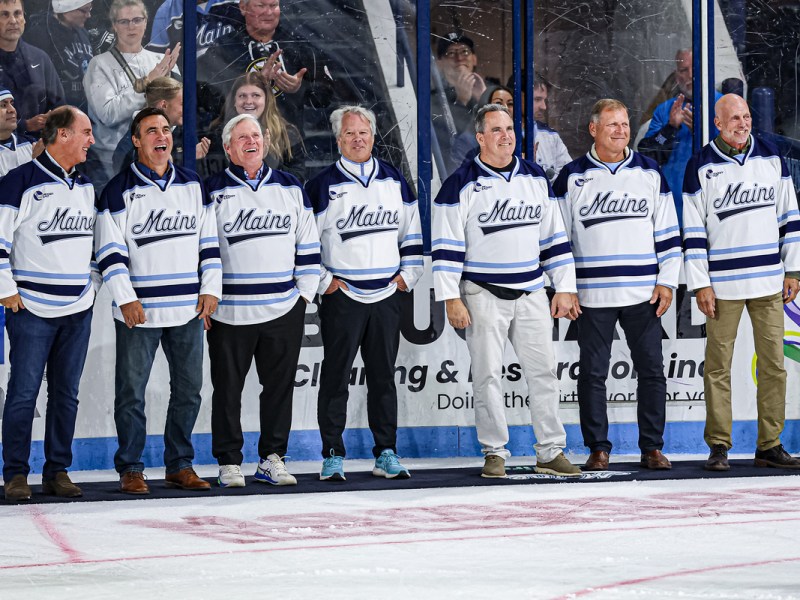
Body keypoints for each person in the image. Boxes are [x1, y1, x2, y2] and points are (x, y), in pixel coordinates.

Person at [432, 103, 581, 479]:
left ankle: (550, 451)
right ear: (480, 137)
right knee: (487, 376)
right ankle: (494, 452)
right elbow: (446, 247)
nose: (506, 136)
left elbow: (554, 240)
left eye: (510, 129)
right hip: (482, 293)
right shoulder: (460, 183)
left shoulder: (535, 177)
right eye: (496, 130)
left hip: (532, 291)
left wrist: (564, 287)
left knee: (545, 373)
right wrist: (451, 297)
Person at [94, 107, 222, 494]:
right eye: (151, 130)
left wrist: (210, 288)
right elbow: (110, 253)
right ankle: (131, 467)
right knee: (131, 394)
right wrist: (126, 298)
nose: (160, 136)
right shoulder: (118, 190)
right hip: (139, 311)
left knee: (189, 390)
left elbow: (209, 244)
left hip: (186, 308)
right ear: (136, 141)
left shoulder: (193, 185)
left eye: (165, 129)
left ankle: (179, 464)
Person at [552, 99, 681, 471]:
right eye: (612, 124)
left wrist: (667, 283)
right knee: (593, 374)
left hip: (643, 294)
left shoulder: (650, 173)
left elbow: (669, 237)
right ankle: (598, 448)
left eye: (624, 124)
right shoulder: (571, 177)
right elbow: (558, 239)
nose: (621, 130)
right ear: (593, 129)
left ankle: (652, 447)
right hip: (591, 296)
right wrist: (566, 286)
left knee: (653, 371)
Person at [304, 105, 423, 482]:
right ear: (338, 139)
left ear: (374, 136)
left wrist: (408, 275)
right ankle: (333, 454)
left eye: (364, 133)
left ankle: (385, 452)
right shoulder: (322, 185)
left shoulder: (394, 181)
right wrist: (326, 282)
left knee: (383, 378)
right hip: (344, 296)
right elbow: (306, 243)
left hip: (387, 295)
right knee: (336, 377)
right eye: (350, 134)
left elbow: (412, 235)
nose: (358, 139)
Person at [683, 93, 800, 471]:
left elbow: (790, 218)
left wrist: (794, 269)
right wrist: (701, 283)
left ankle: (770, 443)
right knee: (718, 368)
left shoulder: (771, 157)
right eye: (734, 118)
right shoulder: (699, 165)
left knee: (774, 366)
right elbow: (693, 232)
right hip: (722, 287)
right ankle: (719, 445)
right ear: (717, 123)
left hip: (768, 281)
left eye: (746, 116)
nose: (743, 123)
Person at [204, 114, 320, 488]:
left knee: (279, 388)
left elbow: (309, 245)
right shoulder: (210, 192)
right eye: (242, 138)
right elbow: (201, 251)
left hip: (282, 308)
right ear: (227, 148)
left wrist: (303, 296)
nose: (251, 142)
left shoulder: (290, 187)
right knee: (228, 391)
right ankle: (228, 461)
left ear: (266, 142)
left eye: (256, 135)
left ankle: (272, 457)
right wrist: (207, 299)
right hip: (228, 312)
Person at [0, 106, 96, 501]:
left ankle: (57, 470)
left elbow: (93, 244)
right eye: (85, 131)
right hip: (30, 309)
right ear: (61, 135)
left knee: (66, 394)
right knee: (23, 393)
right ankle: (16, 474)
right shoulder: (17, 183)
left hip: (78, 307)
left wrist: (92, 282)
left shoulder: (87, 185)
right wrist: (7, 288)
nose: (92, 140)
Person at [197, 0, 334, 137]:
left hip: (288, 144)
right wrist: (250, 85)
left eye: (273, 5)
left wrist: (299, 89)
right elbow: (204, 98)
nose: (268, 12)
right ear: (243, 8)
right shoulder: (223, 48)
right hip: (239, 142)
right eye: (261, 6)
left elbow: (325, 98)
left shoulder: (298, 45)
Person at [83, 0, 180, 189]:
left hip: (158, 158)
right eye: (124, 21)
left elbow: (177, 115)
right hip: (110, 164)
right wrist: (148, 82)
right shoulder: (99, 64)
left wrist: (169, 78)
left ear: (146, 22)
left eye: (137, 20)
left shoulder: (161, 61)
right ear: (114, 25)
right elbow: (108, 114)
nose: (131, 26)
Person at [639, 49, 721, 221]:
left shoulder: (725, 105)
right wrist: (669, 129)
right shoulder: (664, 110)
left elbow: (738, 152)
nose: (690, 75)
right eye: (684, 70)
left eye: (694, 68)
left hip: (716, 208)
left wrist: (704, 133)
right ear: (677, 77)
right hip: (674, 213)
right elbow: (647, 156)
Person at [202, 72, 305, 180]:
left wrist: (267, 160)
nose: (249, 101)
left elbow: (298, 179)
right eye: (242, 96)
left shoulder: (287, 133)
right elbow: (212, 177)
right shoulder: (218, 133)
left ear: (267, 99)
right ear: (234, 101)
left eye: (256, 95)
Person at [111, 76, 210, 172]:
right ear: (163, 105)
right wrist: (185, 158)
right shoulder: (129, 146)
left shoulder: (187, 135)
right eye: (182, 104)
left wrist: (194, 160)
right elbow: (125, 175)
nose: (187, 109)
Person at [0, 0, 65, 135]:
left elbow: (60, 106)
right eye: (4, 15)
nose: (13, 20)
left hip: (38, 147)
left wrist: (52, 119)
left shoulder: (40, 58)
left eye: (17, 13)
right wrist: (24, 125)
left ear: (24, 18)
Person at [23, 0, 93, 111]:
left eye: (90, 9)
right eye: (84, 10)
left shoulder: (83, 32)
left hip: (84, 110)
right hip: (56, 112)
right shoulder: (38, 36)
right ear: (65, 10)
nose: (88, 15)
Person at [432, 31, 485, 174]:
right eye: (450, 53)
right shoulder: (432, 99)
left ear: (474, 59)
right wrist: (462, 101)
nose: (459, 58)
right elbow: (444, 139)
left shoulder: (491, 92)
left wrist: (484, 100)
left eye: (465, 52)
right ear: (439, 63)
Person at [0, 88, 42, 175]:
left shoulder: (32, 143)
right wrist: (37, 164)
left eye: (12, 103)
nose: (12, 110)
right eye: (3, 105)